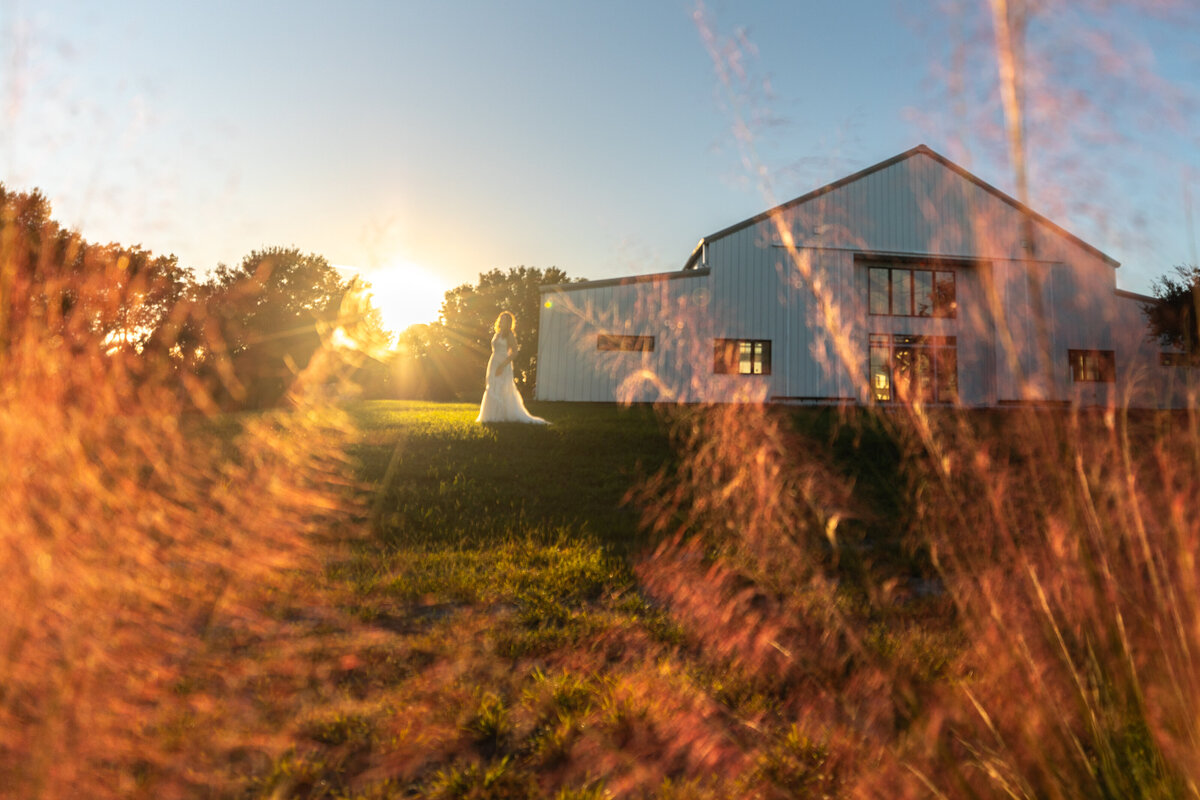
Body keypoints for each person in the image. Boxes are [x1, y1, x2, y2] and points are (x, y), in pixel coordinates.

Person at [475, 311, 548, 424]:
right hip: (493, 362)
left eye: (504, 319)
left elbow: (515, 352)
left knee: (503, 388)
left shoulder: (509, 335)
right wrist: (495, 364)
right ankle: (491, 416)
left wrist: (502, 365)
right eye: (501, 318)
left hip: (503, 363)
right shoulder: (497, 334)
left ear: (508, 322)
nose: (502, 321)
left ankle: (503, 415)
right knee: (492, 386)